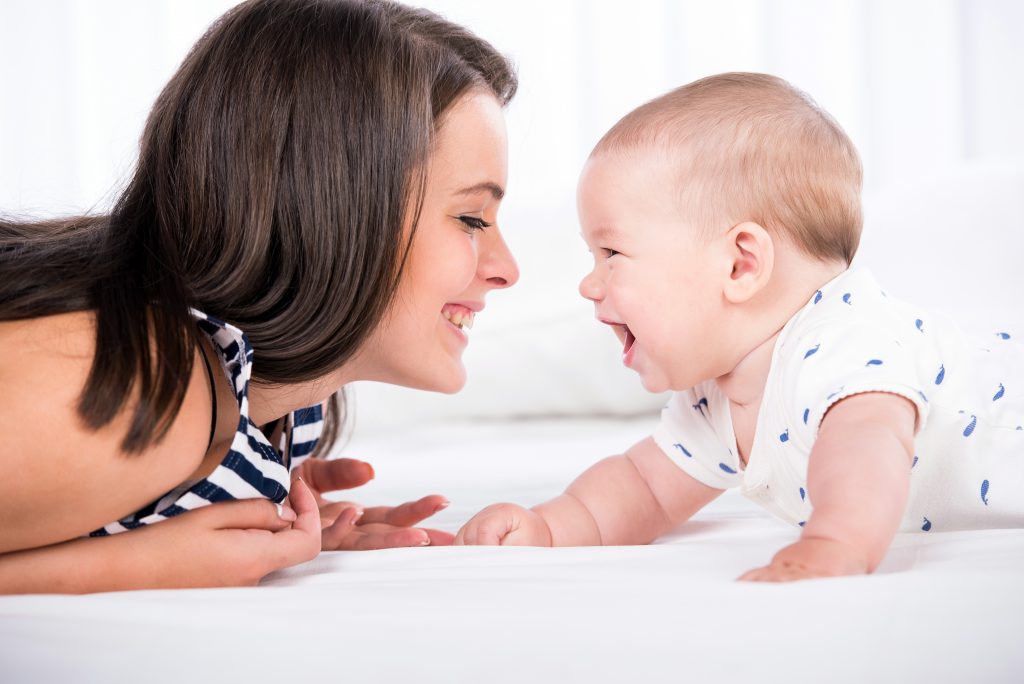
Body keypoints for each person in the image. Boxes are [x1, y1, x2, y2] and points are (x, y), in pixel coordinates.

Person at [0, 0, 519, 593]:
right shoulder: (150, 382)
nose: (508, 270)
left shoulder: (279, 406)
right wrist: (140, 564)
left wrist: (258, 503)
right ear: (332, 212)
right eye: (472, 219)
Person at [455, 73, 1024, 581]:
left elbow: (866, 449)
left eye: (611, 252)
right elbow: (645, 487)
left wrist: (836, 541)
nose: (589, 284)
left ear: (739, 265)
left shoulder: (844, 343)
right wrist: (551, 526)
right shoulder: (719, 399)